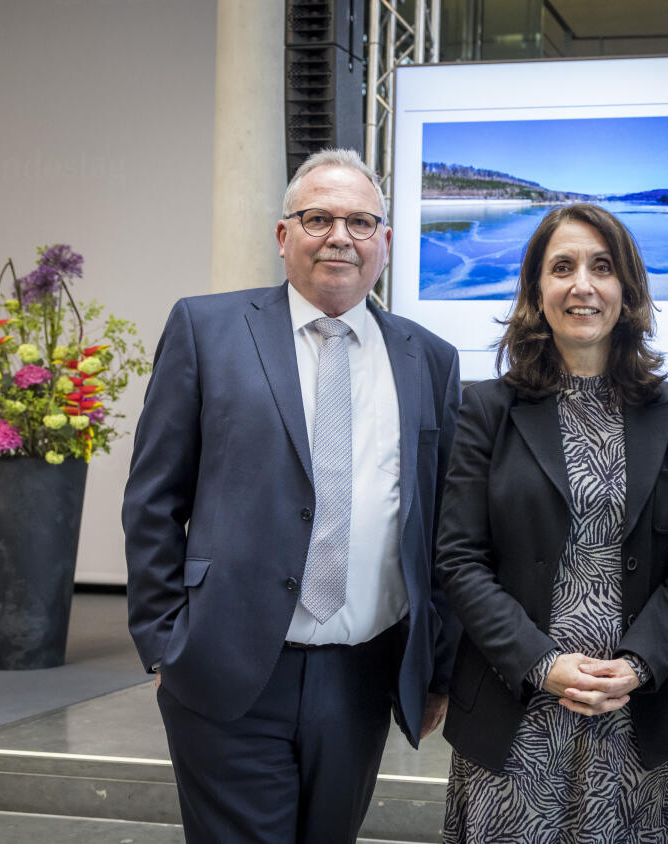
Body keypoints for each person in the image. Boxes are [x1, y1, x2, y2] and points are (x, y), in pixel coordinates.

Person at [123, 148, 461, 843]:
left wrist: (439, 665)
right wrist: (165, 643)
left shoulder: (428, 357)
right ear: (284, 236)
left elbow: (443, 525)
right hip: (227, 665)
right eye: (318, 218)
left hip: (366, 674)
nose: (341, 236)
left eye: (361, 222)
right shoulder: (206, 329)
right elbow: (154, 499)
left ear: (385, 244)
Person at [435, 203, 668, 842]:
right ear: (538, 289)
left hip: (631, 716)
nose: (582, 284)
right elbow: (458, 557)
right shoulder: (487, 409)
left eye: (602, 267)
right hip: (519, 714)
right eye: (562, 267)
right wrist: (542, 663)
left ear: (627, 290)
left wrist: (640, 662)